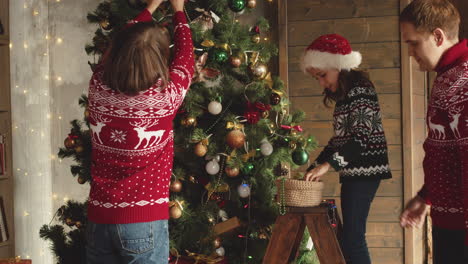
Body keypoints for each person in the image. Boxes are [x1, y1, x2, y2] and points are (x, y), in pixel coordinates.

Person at [85, 0, 194, 263]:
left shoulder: (98, 87)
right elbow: (186, 60)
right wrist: (179, 11)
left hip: (99, 220)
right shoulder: (163, 99)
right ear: (158, 60)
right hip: (142, 223)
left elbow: (116, 44)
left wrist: (151, 7)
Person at [301, 34, 392, 264]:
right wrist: (315, 165)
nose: (321, 83)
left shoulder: (361, 89)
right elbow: (339, 140)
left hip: (365, 171)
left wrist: (326, 166)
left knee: (353, 239)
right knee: (348, 239)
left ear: (339, 66)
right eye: (317, 78)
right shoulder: (345, 96)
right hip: (353, 172)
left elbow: (360, 137)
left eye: (322, 75)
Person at [399, 0, 468, 263]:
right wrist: (426, 196)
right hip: (447, 222)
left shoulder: (464, 80)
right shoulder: (446, 77)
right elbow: (446, 151)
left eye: (413, 42)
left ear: (437, 36)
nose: (410, 52)